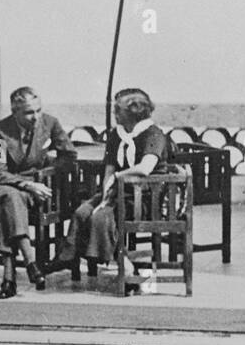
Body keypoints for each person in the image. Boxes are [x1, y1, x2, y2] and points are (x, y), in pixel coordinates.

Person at [62, 88, 172, 291]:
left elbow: (145, 168)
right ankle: (70, 258)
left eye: (118, 110)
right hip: (117, 192)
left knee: (100, 218)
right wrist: (105, 195)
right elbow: (109, 169)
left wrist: (118, 178)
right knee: (81, 213)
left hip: (144, 197)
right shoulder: (116, 135)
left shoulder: (153, 134)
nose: (115, 114)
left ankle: (126, 268)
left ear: (134, 112)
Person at [0, 86, 70, 299]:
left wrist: (48, 170)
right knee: (10, 196)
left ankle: (9, 277)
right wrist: (27, 184)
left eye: (38, 110)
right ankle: (31, 261)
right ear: (15, 112)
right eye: (29, 113)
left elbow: (69, 156)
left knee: (10, 204)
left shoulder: (50, 123)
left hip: (29, 188)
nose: (36, 117)